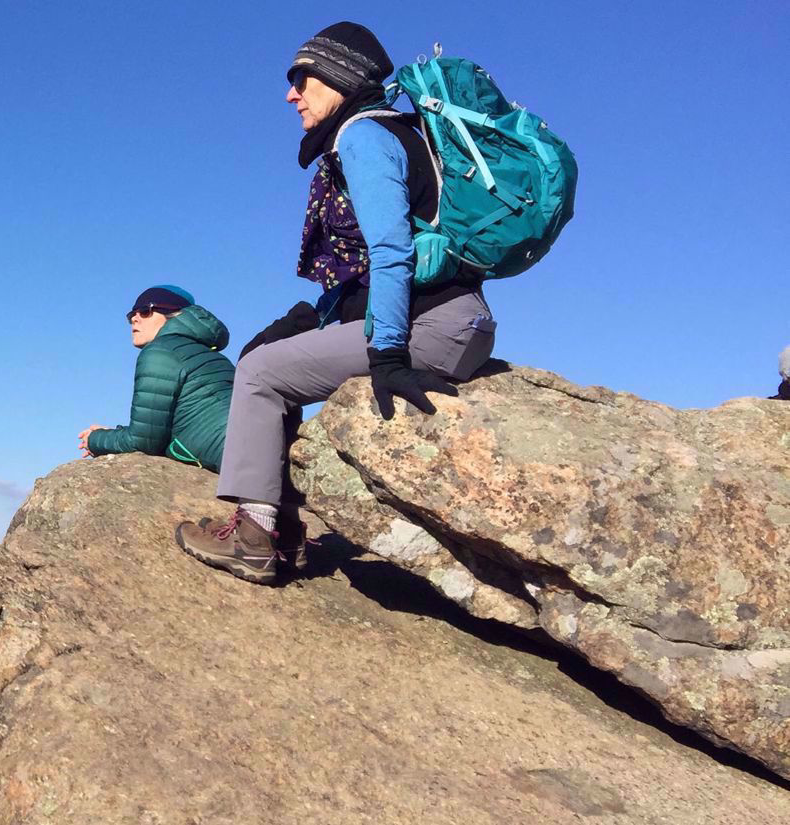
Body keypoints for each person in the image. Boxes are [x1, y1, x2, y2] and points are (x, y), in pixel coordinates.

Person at [174, 22, 499, 584]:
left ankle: (253, 536)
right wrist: (310, 320)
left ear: (339, 76)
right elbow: (388, 262)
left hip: (428, 326)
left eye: (302, 79)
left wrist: (389, 353)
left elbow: (392, 250)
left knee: (255, 374)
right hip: (460, 319)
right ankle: (286, 532)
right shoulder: (405, 131)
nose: (290, 94)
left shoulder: (363, 136)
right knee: (276, 358)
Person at [79, 285, 235, 469]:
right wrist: (114, 434)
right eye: (131, 315)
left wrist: (95, 440)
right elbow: (159, 433)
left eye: (145, 311)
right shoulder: (213, 356)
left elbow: (143, 442)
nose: (135, 319)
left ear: (173, 314)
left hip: (241, 464)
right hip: (256, 450)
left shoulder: (161, 352)